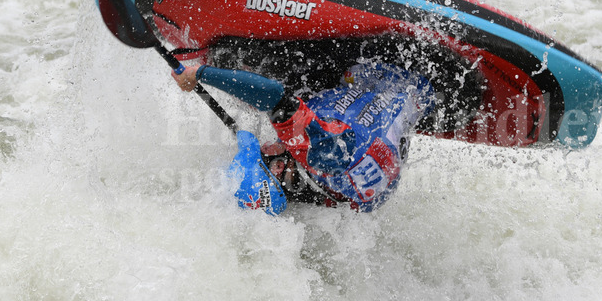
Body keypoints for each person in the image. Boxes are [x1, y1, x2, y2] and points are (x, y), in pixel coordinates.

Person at [172, 59, 435, 215]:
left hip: (425, 103)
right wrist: (199, 74)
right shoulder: (321, 156)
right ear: (278, 167)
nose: (266, 144)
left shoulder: (354, 204)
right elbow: (271, 93)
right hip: (393, 65)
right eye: (264, 153)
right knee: (240, 62)